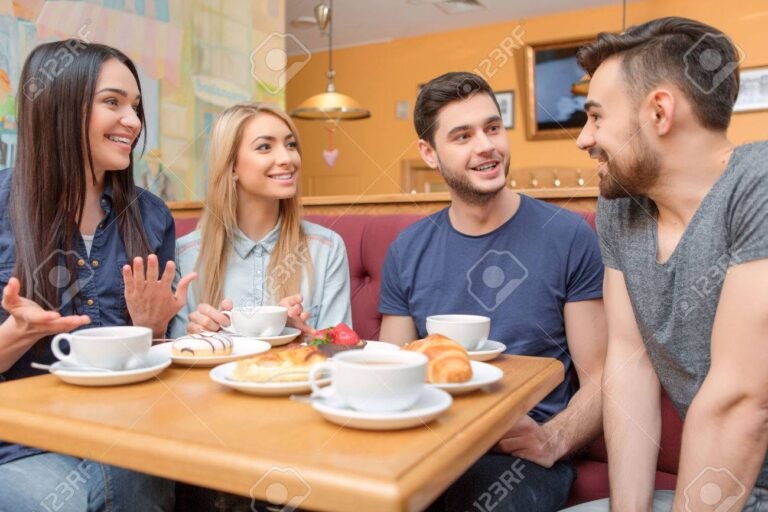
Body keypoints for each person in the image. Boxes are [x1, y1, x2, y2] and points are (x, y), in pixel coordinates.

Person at [563, 17, 768, 511]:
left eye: (596, 117)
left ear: (659, 111)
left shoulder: (758, 185)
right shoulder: (621, 203)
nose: (583, 139)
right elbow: (630, 361)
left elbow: (742, 403)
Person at [378, 71, 608, 511]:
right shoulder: (407, 248)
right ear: (429, 152)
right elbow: (394, 368)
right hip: (430, 446)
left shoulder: (567, 236)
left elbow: (601, 375)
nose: (486, 145)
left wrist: (554, 438)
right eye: (462, 136)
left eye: (493, 127)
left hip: (516, 458)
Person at [0, 39, 194, 511]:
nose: (132, 121)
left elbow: (152, 369)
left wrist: (151, 331)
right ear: (57, 104)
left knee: (140, 476)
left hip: (125, 430)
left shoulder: (151, 218)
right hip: (20, 442)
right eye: (112, 102)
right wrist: (16, 334)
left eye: (136, 106)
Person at [170, 103, 351, 343]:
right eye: (265, 147)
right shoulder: (185, 255)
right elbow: (176, 361)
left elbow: (339, 356)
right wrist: (199, 340)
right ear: (231, 166)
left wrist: (300, 338)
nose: (287, 158)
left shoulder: (327, 249)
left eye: (291, 145)